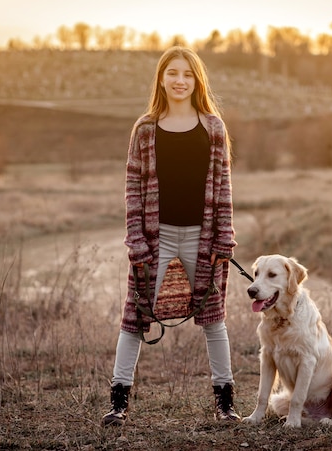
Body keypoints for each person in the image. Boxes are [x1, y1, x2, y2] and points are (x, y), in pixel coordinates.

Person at [102, 46, 240, 426]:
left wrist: (224, 239)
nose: (180, 81)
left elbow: (224, 186)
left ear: (197, 81)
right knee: (135, 316)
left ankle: (225, 403)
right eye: (173, 73)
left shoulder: (213, 127)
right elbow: (132, 185)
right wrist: (136, 240)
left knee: (213, 318)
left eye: (188, 74)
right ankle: (118, 402)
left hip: (203, 236)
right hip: (155, 236)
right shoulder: (145, 128)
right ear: (161, 78)